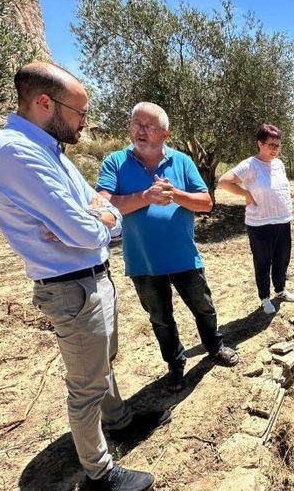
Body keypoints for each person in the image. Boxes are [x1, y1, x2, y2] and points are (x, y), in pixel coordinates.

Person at [0, 62, 168, 491]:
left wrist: (96, 216)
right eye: (80, 112)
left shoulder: (48, 151)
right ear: (45, 103)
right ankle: (100, 474)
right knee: (85, 386)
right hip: (71, 286)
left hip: (91, 277)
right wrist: (91, 220)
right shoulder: (13, 152)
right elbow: (85, 230)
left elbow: (102, 214)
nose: (85, 121)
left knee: (103, 362)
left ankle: (118, 420)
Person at [97, 102, 238, 392]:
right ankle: (175, 366)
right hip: (143, 261)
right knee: (160, 319)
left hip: (184, 257)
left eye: (149, 127)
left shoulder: (182, 162)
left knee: (204, 307)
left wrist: (175, 194)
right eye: (136, 124)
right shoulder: (115, 163)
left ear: (165, 134)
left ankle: (214, 347)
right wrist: (146, 196)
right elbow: (102, 205)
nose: (140, 131)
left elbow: (205, 203)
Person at [217, 124, 294, 315]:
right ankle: (264, 298)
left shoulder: (279, 164)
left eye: (278, 145)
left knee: (282, 259)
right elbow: (224, 181)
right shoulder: (250, 165)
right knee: (263, 263)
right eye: (271, 145)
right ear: (260, 144)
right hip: (260, 224)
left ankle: (280, 290)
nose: (275, 149)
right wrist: (246, 194)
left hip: (282, 220)